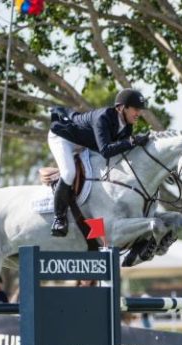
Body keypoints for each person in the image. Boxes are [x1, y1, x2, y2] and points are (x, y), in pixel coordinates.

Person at [47, 88, 150, 237]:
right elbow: (106, 150)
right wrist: (132, 141)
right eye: (135, 109)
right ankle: (59, 219)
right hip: (63, 138)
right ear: (122, 108)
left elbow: (121, 151)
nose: (138, 113)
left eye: (140, 110)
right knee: (69, 173)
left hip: (84, 143)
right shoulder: (104, 117)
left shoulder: (127, 126)